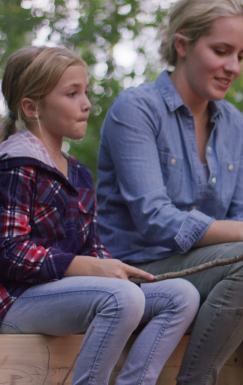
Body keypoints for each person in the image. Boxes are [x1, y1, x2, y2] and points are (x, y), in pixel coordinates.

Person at [96, 1, 243, 384]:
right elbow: (154, 219)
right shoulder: (136, 109)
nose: (234, 68)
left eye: (241, 55)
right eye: (221, 52)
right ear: (182, 45)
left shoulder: (234, 125)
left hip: (218, 270)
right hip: (143, 269)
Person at [0, 46, 199, 385]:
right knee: (121, 298)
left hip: (69, 295)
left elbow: (92, 248)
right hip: (18, 302)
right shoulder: (15, 165)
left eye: (86, 92)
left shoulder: (78, 173)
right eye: (72, 93)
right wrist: (82, 267)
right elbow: (10, 251)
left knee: (181, 295)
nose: (87, 103)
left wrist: (116, 269)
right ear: (32, 107)